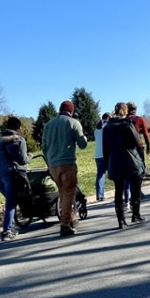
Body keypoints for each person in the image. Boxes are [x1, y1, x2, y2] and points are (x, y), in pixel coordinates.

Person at [41, 101, 88, 238]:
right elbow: (82, 144)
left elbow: (44, 147)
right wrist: (84, 138)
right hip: (67, 163)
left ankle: (71, 218)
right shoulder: (73, 123)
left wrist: (50, 160)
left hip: (53, 165)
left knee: (62, 193)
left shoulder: (48, 125)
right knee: (69, 194)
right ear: (71, 111)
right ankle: (65, 225)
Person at [0, 116, 30, 241]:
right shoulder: (20, 140)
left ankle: (11, 227)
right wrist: (30, 157)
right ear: (18, 128)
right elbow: (22, 160)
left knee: (10, 201)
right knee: (11, 202)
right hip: (11, 175)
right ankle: (7, 232)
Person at [104, 103, 145, 227]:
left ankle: (120, 219)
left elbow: (105, 148)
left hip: (114, 161)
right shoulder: (127, 124)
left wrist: (107, 164)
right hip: (129, 159)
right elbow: (136, 141)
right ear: (125, 111)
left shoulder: (107, 127)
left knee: (118, 190)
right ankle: (135, 214)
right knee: (136, 186)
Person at [93, 112, 111, 202]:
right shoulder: (108, 127)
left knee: (100, 174)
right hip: (107, 153)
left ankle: (99, 195)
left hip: (98, 154)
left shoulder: (96, 129)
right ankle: (122, 191)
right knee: (116, 172)